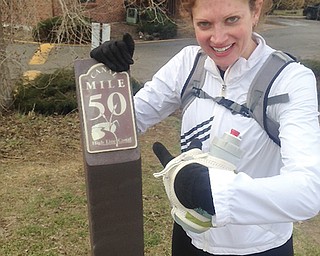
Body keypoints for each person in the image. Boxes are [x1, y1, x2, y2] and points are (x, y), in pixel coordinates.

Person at [90, 0, 320, 255]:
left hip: (258, 246)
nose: (218, 38)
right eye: (205, 24)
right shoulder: (188, 64)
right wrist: (109, 83)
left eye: (232, 20)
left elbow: (308, 191)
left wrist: (212, 192)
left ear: (255, 11)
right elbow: (119, 129)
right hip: (190, 238)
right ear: (191, 21)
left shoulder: (290, 79)